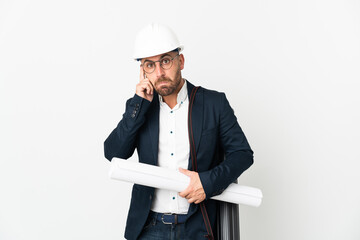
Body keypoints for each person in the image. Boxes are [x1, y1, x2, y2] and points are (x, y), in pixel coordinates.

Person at [104, 23, 253, 240]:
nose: (160, 73)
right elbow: (113, 153)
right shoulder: (139, 108)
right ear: (142, 71)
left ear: (180, 61)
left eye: (165, 61)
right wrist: (138, 105)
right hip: (149, 228)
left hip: (198, 227)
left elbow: (242, 154)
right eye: (149, 65)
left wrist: (207, 182)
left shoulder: (214, 103)